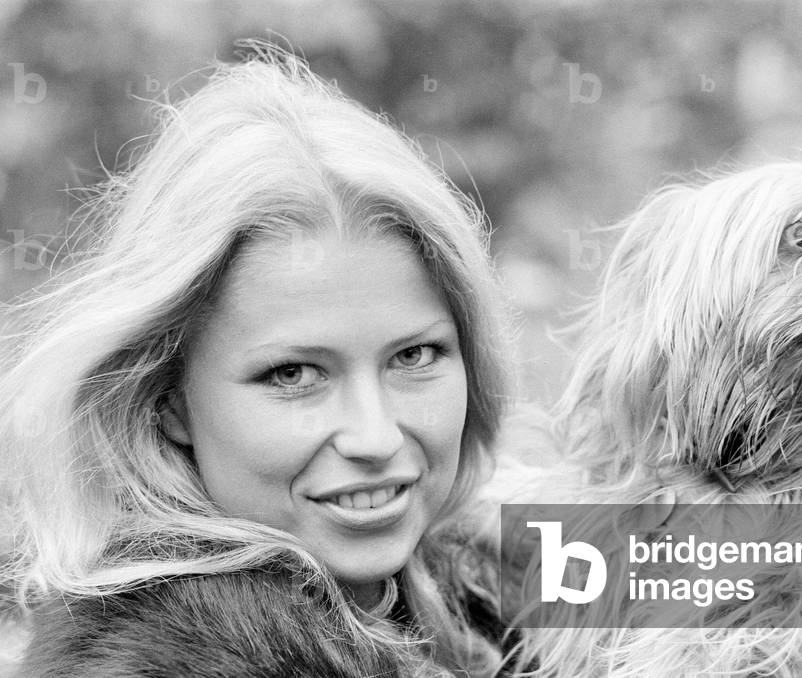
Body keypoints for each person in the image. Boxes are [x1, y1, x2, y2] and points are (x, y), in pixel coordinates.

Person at [0, 44, 512, 677]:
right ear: (168, 402)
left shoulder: (474, 573)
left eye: (414, 355)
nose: (375, 437)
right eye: (293, 374)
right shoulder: (159, 661)